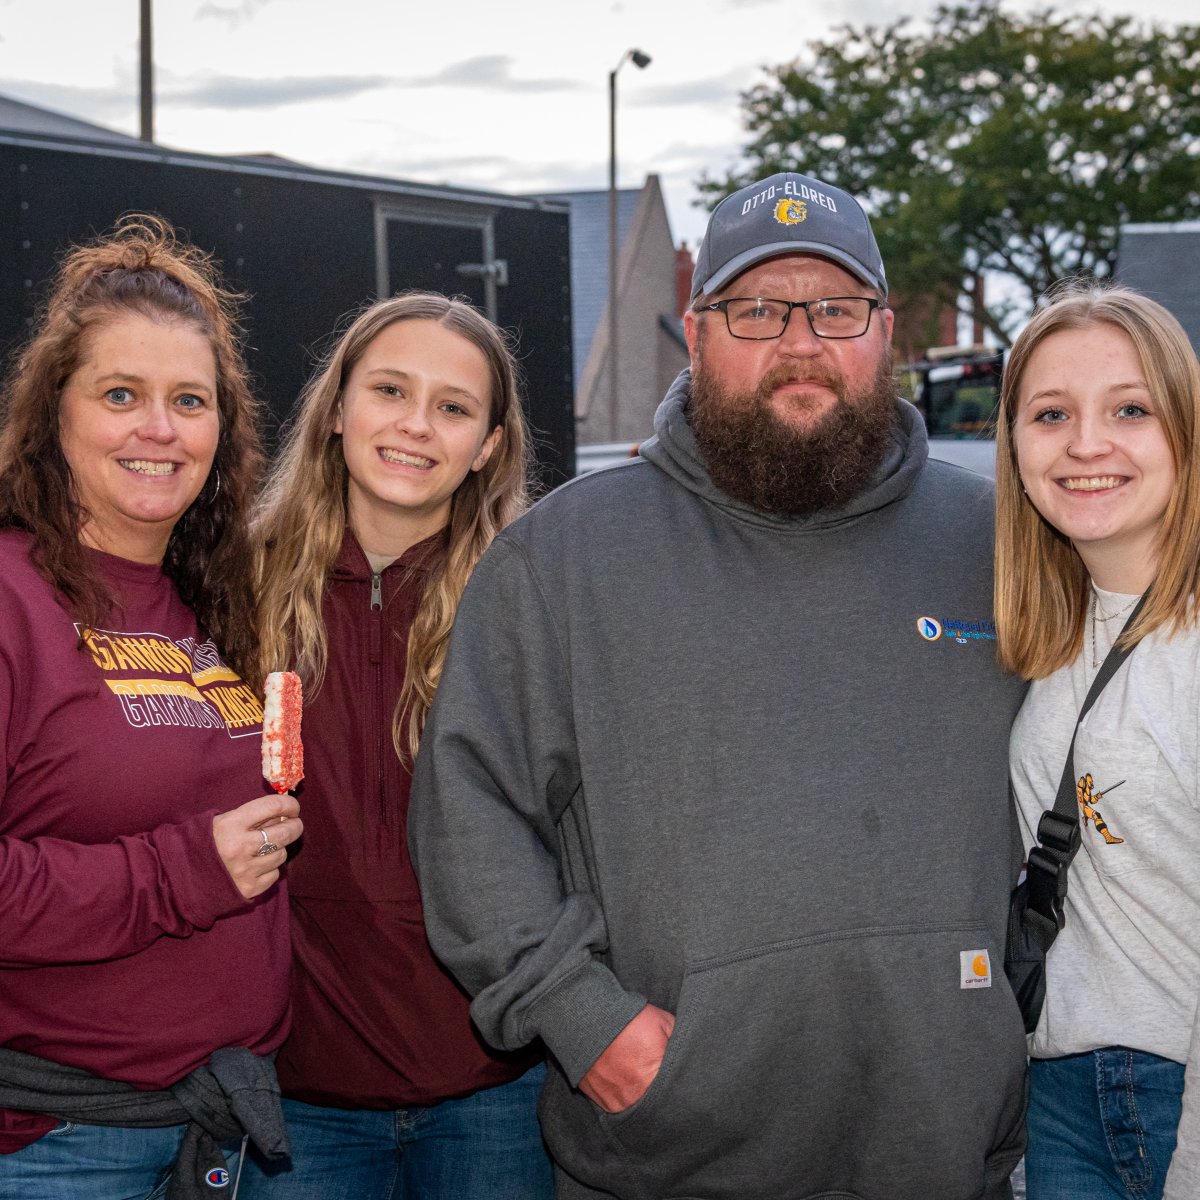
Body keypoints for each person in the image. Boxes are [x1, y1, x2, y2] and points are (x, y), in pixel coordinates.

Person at [409, 171, 1030, 1199]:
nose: (800, 343)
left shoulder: (1002, 544)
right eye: (756, 310)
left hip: (946, 1148)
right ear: (696, 334)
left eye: (835, 310)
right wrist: (579, 1015)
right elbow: (469, 815)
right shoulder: (561, 560)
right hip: (665, 1158)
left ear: (884, 333)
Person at [0, 215, 301, 1198]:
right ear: (55, 414)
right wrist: (184, 874)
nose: (159, 429)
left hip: (227, 1133)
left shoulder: (212, 602)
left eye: (189, 400)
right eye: (121, 395)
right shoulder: (11, 598)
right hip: (67, 1147)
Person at [241, 292, 553, 1199]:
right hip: (296, 1099)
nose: (416, 426)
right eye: (388, 390)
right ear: (337, 408)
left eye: (454, 407)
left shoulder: (530, 601)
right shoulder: (231, 584)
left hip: (497, 1090)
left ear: (488, 444)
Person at [995, 282, 1200, 1200]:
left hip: (1171, 1093)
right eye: (1050, 413)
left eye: (1129, 409)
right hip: (1057, 1082)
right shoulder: (1050, 625)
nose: (1086, 443)